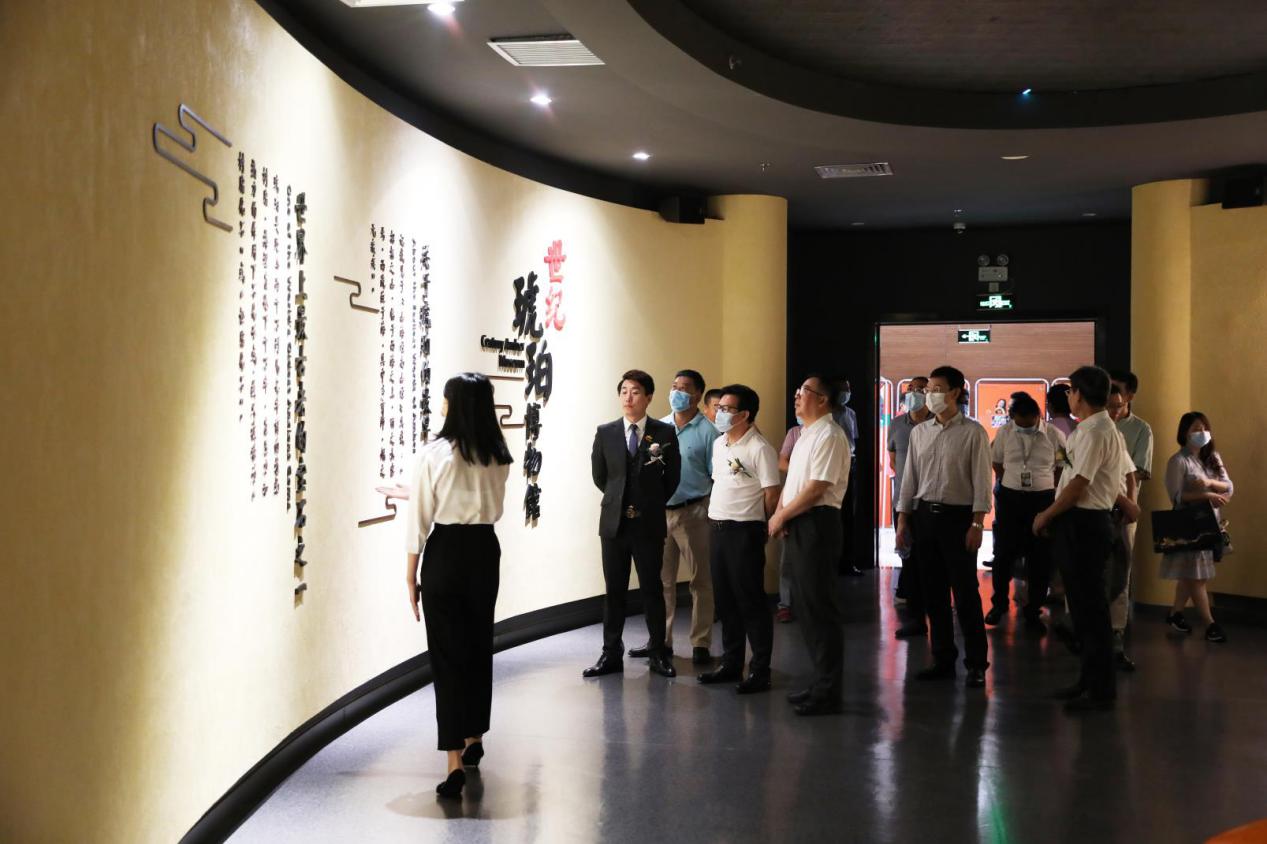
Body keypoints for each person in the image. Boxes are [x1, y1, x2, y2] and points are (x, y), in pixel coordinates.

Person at [404, 373, 513, 799]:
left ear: (456, 405)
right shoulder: (498, 454)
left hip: (445, 553)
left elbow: (420, 518)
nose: (442, 404)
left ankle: (452, 761)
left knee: (446, 656)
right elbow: (482, 499)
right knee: (477, 646)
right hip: (485, 551)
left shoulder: (434, 453)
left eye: (446, 399)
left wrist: (410, 574)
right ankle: (474, 736)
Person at [1033, 366, 1139, 713]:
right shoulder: (1089, 429)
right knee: (1082, 608)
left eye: (1070, 390)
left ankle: (1101, 692)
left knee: (1092, 611)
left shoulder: (1097, 432)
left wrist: (1047, 514)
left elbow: (1079, 485)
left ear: (1079, 394)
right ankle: (1088, 680)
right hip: (1079, 522)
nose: (1069, 396)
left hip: (1086, 523)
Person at [895, 366, 992, 688]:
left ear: (955, 392)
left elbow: (982, 482)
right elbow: (909, 478)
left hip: (958, 518)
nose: (929, 395)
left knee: (965, 593)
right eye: (928, 390)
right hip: (925, 516)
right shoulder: (920, 432)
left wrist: (977, 523)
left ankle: (976, 664)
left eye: (936, 389)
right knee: (933, 592)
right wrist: (903, 519)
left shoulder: (973, 432)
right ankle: (942, 658)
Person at [584, 370, 682, 680]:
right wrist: (619, 500)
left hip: (648, 523)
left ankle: (658, 652)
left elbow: (672, 478)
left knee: (652, 589)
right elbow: (600, 476)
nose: (628, 397)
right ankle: (611, 653)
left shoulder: (664, 433)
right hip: (613, 525)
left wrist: (649, 501)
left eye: (636, 391)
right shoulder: (606, 432)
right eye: (624, 391)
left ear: (648, 397)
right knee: (614, 590)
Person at [769, 374, 851, 715]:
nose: (797, 396)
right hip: (800, 520)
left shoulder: (830, 435)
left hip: (818, 522)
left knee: (820, 608)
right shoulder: (805, 434)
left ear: (822, 399)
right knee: (805, 607)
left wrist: (782, 516)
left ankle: (829, 691)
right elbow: (794, 481)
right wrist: (781, 513)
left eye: (803, 391)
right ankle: (820, 683)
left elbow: (817, 488)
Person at [698, 384, 781, 693]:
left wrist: (763, 527)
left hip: (745, 530)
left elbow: (771, 493)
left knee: (751, 601)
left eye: (726, 409)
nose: (719, 413)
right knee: (725, 600)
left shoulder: (759, 447)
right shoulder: (719, 443)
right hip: (717, 527)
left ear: (744, 414)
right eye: (718, 408)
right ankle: (731, 663)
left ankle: (760, 670)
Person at [642, 369, 719, 664]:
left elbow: (717, 476)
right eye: (674, 386)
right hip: (661, 513)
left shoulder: (709, 432)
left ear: (698, 394)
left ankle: (700, 642)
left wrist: (708, 509)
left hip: (694, 512)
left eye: (684, 388)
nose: (677, 392)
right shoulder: (659, 427)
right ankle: (661, 640)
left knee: (701, 581)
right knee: (662, 582)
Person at [986, 391, 1065, 634]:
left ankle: (1033, 611)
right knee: (1003, 554)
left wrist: (1049, 489)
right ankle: (999, 604)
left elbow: (1062, 466)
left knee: (1039, 557)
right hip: (1010, 499)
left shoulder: (1054, 435)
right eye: (1019, 424)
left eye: (1028, 424)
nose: (1024, 428)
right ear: (1012, 418)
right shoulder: (1005, 432)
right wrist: (1010, 481)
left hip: (1042, 501)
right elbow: (996, 462)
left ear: (1037, 416)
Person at [1161, 412, 1232, 644]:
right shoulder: (1178, 461)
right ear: (1184, 433)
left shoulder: (1213, 458)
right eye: (1195, 429)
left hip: (1210, 524)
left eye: (1204, 428)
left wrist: (1210, 484)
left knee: (1190, 574)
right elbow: (1177, 496)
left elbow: (1228, 487)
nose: (1201, 433)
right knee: (1197, 577)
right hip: (1189, 525)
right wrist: (1207, 495)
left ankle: (1175, 614)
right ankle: (1210, 624)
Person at [1109, 371, 1154, 671]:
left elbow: (1137, 472)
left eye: (1117, 391)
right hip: (1094, 509)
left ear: (1129, 396)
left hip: (1124, 510)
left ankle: (1116, 632)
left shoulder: (1140, 430)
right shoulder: (1093, 426)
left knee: (1120, 571)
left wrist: (1124, 501)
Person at [889, 377, 930, 639]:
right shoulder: (897, 424)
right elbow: (894, 460)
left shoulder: (935, 424)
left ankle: (928, 604)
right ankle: (914, 609)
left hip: (928, 501)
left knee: (927, 557)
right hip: (902, 501)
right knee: (908, 553)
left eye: (920, 389)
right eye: (911, 389)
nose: (914, 393)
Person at [831, 377, 863, 575]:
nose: (846, 392)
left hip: (850, 463)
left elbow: (853, 439)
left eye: (848, 389)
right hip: (832, 463)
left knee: (849, 515)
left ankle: (848, 561)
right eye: (843, 389)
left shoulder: (851, 413)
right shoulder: (827, 414)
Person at [774, 423, 803, 622]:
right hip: (791, 498)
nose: (797, 407)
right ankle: (785, 604)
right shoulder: (795, 433)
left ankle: (808, 604)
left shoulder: (830, 433)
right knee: (787, 561)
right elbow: (782, 462)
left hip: (817, 507)